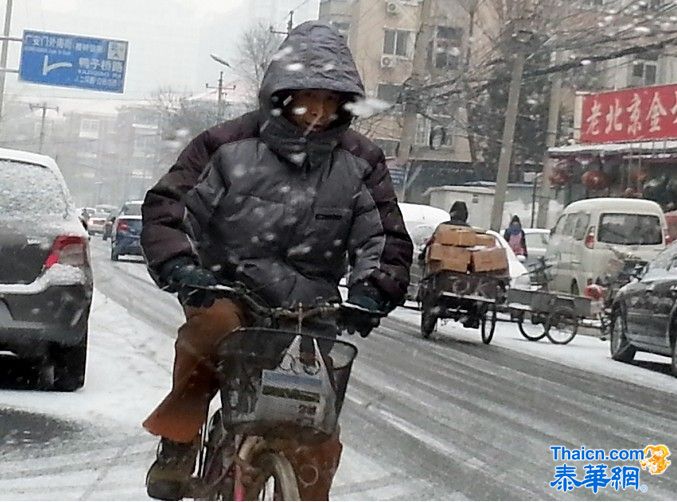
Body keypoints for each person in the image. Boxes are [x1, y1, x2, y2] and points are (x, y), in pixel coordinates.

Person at [140, 21, 413, 501]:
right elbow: (170, 210)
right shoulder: (224, 147)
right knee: (211, 332)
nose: (318, 112)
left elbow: (385, 238)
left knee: (314, 436)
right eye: (308, 97)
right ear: (280, 96)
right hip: (228, 292)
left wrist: (374, 289)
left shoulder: (361, 161)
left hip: (312, 312)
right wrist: (184, 268)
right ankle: (179, 440)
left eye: (332, 101)